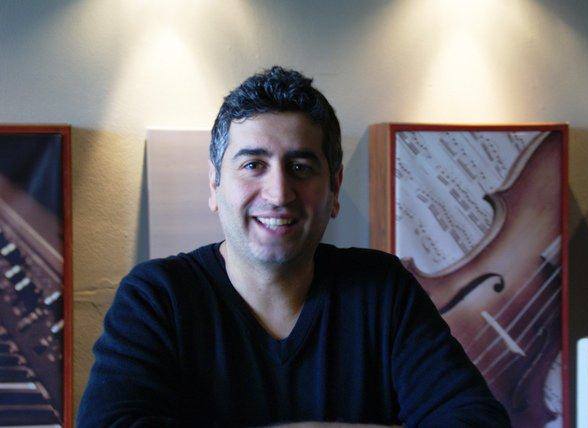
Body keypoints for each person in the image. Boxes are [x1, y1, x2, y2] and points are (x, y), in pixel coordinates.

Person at [77, 66, 510, 427]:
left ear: (334, 188)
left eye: (300, 167)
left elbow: (475, 420)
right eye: (253, 165)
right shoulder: (158, 297)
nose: (279, 193)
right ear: (214, 184)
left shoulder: (382, 289)